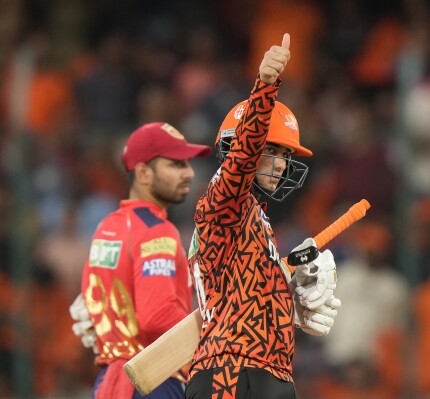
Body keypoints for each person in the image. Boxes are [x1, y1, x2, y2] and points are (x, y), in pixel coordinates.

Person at [185, 33, 340, 399]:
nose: (282, 163)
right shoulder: (222, 200)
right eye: (271, 150)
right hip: (231, 372)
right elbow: (242, 158)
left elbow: (245, 296)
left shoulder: (256, 216)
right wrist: (265, 87)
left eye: (286, 154)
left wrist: (294, 298)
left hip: (268, 370)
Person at [72, 121, 212, 399]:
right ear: (144, 173)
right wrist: (215, 326)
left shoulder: (107, 227)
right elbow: (156, 316)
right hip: (154, 379)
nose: (189, 173)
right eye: (176, 165)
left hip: (110, 381)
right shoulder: (156, 231)